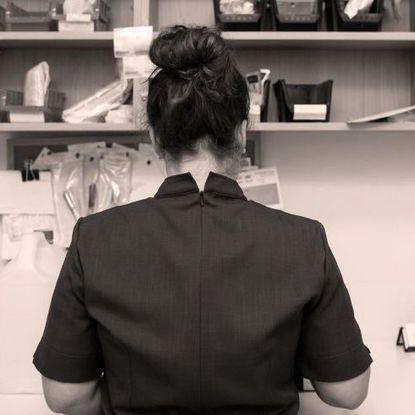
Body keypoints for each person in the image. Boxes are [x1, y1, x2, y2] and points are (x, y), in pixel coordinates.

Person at [33, 25, 372, 415]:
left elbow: (66, 396)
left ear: (156, 139)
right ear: (242, 134)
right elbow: (347, 392)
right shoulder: (303, 239)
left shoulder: (93, 238)